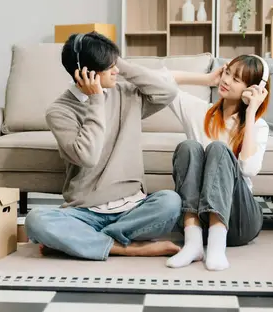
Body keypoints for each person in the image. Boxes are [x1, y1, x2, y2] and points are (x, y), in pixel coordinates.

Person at [25, 31, 182, 261]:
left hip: (132, 207)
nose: (116, 70)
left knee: (170, 202)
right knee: (36, 220)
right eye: (109, 67)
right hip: (84, 211)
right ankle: (127, 247)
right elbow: (88, 157)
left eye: (115, 64)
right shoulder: (60, 111)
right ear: (85, 73)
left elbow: (168, 91)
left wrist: (116, 60)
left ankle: (83, 242)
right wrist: (96, 99)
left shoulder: (126, 93)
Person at [165, 54, 270, 271]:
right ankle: (193, 243)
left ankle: (216, 246)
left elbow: (249, 169)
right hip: (198, 219)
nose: (227, 81)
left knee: (218, 150)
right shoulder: (200, 111)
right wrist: (206, 79)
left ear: (253, 88)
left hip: (240, 221)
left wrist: (251, 113)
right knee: (189, 147)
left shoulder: (258, 126)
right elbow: (160, 80)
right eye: (228, 72)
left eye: (237, 79)